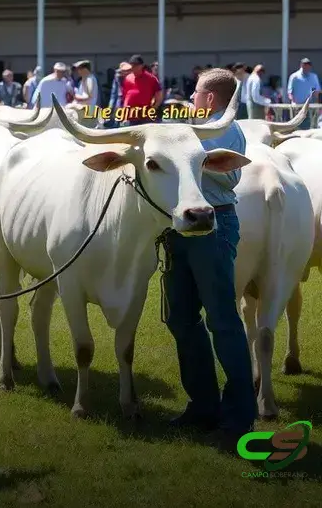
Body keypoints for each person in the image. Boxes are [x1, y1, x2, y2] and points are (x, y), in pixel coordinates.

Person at [164, 67, 255, 449]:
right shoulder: (193, 128)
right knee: (179, 318)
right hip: (179, 230)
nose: (192, 97)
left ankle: (238, 418)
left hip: (213, 228)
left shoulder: (226, 128)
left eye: (196, 92)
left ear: (210, 98)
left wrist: (191, 160)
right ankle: (203, 406)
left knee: (222, 319)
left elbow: (231, 179)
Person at [119, 55, 162, 126]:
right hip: (131, 115)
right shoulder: (128, 78)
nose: (133, 68)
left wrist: (154, 107)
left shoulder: (151, 79)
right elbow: (126, 97)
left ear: (141, 66)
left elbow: (159, 94)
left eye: (135, 66)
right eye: (132, 66)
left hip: (145, 115)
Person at [287, 58, 320, 130]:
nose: (306, 67)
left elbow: (317, 92)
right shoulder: (294, 76)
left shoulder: (313, 76)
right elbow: (290, 92)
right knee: (296, 127)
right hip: (297, 107)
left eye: (308, 65)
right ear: (301, 65)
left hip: (309, 107)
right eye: (305, 65)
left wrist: (318, 104)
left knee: (309, 127)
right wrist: (293, 102)